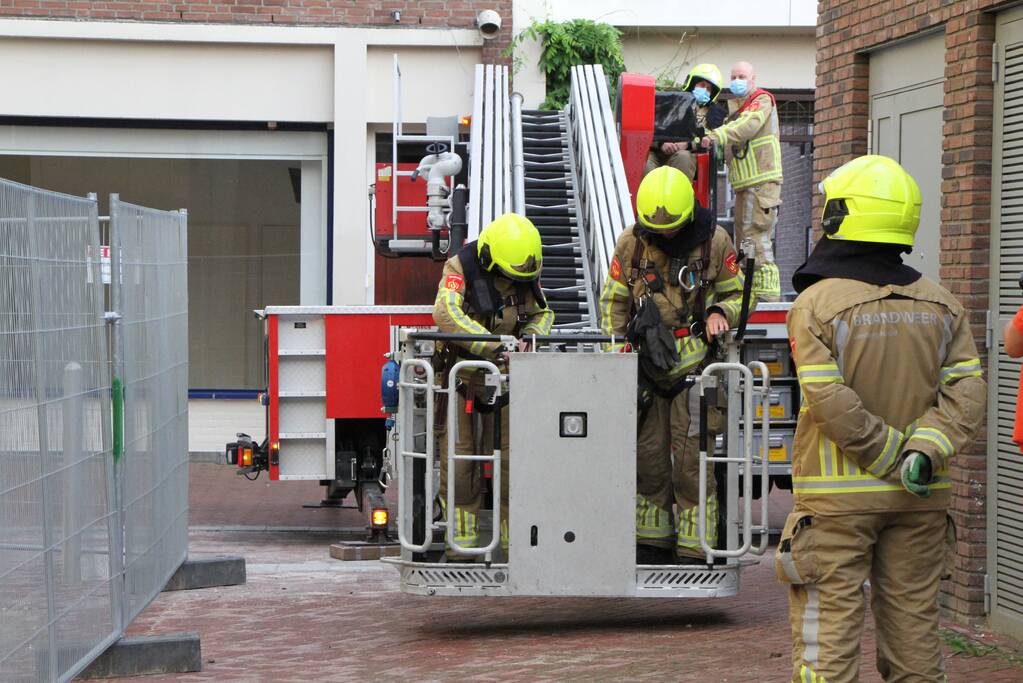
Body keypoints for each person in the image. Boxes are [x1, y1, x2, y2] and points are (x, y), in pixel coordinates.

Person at [780, 155, 986, 682]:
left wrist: (891, 455)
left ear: (844, 217)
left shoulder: (814, 305)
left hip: (836, 507)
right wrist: (923, 452)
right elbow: (967, 390)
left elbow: (829, 402)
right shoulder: (944, 305)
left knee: (828, 649)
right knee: (916, 643)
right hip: (920, 498)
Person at [599, 166, 747, 564]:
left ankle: (696, 546)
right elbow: (613, 303)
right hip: (644, 367)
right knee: (647, 458)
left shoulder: (714, 242)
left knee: (691, 462)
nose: (663, 235)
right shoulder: (631, 244)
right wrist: (616, 353)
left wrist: (720, 312)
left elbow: (737, 295)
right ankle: (652, 539)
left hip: (695, 367)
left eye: (671, 229)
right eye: (656, 229)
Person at [432, 212, 554, 557]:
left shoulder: (523, 268)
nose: (512, 283)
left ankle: (517, 546)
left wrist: (531, 336)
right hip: (464, 380)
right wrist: (493, 346)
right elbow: (445, 313)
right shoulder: (458, 268)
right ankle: (462, 545)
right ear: (490, 260)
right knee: (460, 463)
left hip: (510, 384)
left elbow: (544, 313)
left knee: (516, 462)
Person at [703, 60, 783, 302]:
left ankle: (767, 299)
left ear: (753, 79)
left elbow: (747, 126)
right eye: (733, 76)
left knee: (756, 240)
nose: (736, 81)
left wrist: (716, 135)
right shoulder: (739, 109)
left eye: (741, 76)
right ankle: (751, 295)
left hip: (761, 184)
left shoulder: (761, 101)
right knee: (745, 244)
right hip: (748, 185)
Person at [644, 63, 726, 181]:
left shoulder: (714, 115)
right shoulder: (670, 101)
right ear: (693, 84)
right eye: (702, 85)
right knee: (644, 163)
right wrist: (661, 144)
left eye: (709, 88)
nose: (705, 90)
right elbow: (648, 129)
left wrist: (687, 145)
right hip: (656, 151)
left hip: (683, 154)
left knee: (684, 158)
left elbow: (711, 141)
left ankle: (677, 197)